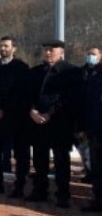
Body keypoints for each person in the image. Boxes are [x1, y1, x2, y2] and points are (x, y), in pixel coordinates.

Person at [26, 40, 82, 207]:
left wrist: (50, 114)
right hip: (38, 123)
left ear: (61, 52)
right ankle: (40, 190)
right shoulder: (36, 71)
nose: (48, 53)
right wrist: (32, 110)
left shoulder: (71, 72)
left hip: (60, 123)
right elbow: (29, 94)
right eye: (46, 50)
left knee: (61, 160)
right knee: (39, 159)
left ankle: (63, 194)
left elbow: (68, 98)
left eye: (52, 50)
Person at [0, 36, 31, 196]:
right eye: (1, 46)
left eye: (6, 46)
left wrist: (5, 109)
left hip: (15, 118)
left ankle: (19, 185)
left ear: (14, 48)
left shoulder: (21, 68)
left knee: (19, 153)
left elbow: (21, 93)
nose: (3, 49)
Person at [79, 53, 102, 211]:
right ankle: (98, 199)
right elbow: (87, 104)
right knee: (97, 168)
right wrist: (85, 127)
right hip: (95, 130)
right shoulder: (95, 77)